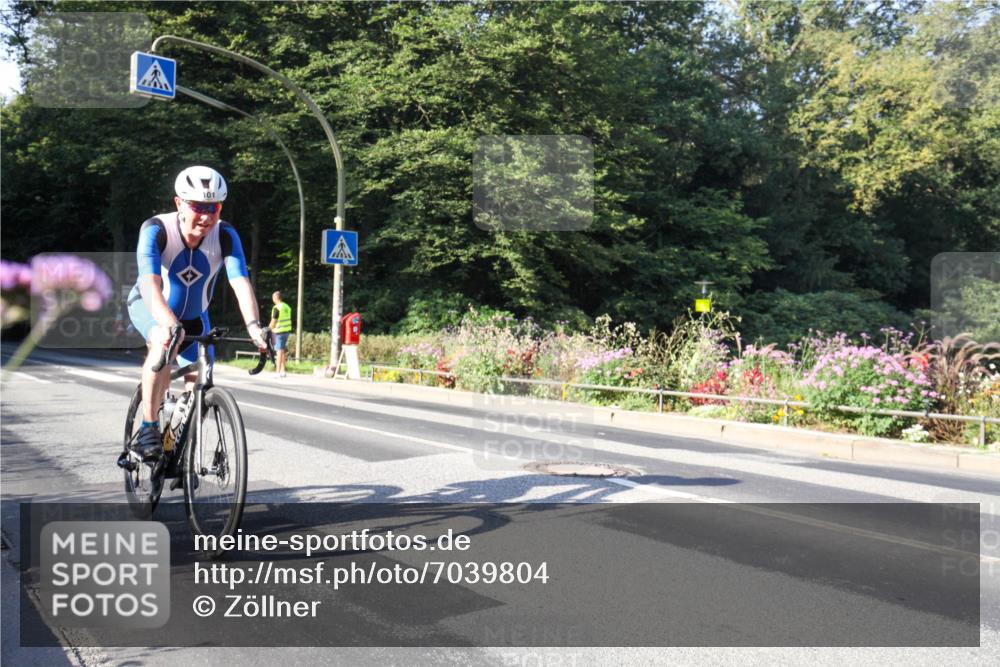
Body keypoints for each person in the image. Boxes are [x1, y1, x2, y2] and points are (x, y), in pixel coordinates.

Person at [125, 166, 268, 461]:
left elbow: (239, 281)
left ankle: (173, 446)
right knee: (163, 342)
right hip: (151, 305)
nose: (206, 216)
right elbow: (149, 284)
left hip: (195, 316)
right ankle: (149, 428)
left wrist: (254, 326)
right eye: (198, 207)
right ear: (179, 203)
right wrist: (166, 323)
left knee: (200, 384)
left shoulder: (226, 235)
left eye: (213, 207)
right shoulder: (156, 229)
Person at [268, 291, 293, 378]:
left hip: (279, 332)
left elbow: (274, 321)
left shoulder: (277, 308)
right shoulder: (287, 306)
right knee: (282, 351)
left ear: (275, 298)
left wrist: (268, 329)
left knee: (279, 352)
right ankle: (283, 371)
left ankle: (277, 372)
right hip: (286, 331)